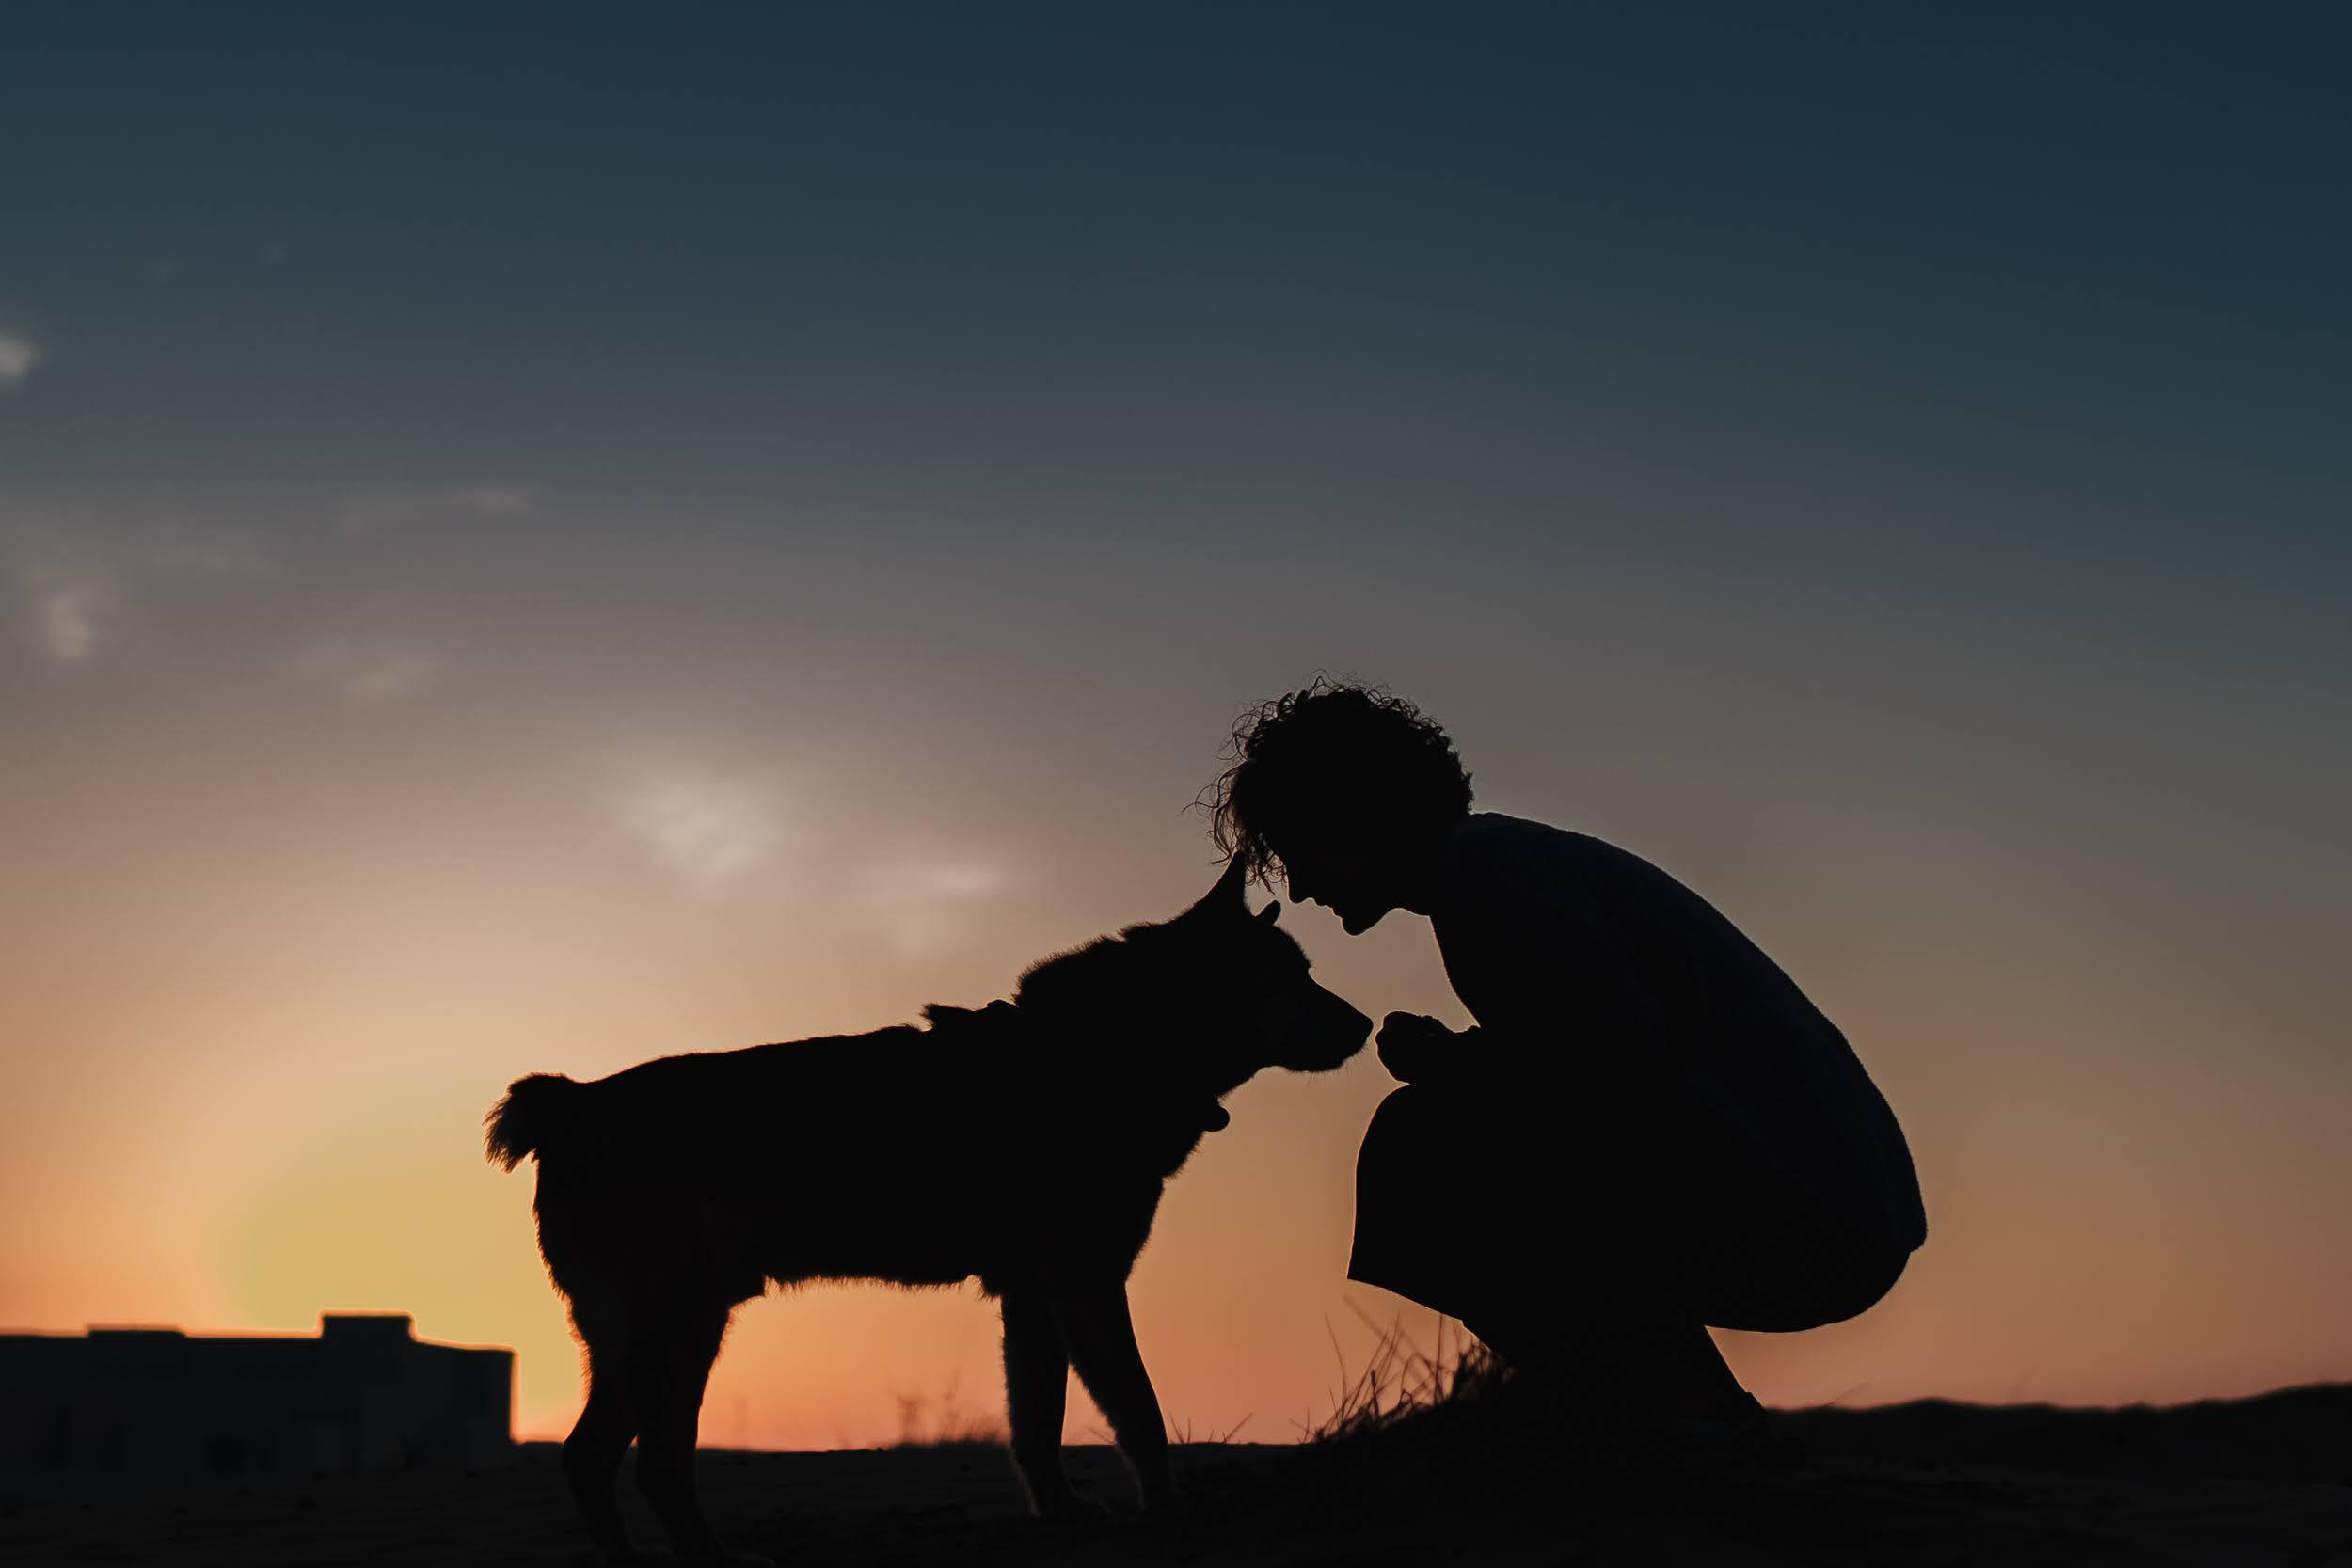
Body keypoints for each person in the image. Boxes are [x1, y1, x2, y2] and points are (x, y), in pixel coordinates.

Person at [1203, 680, 1926, 1446]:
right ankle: (1675, 1411)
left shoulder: (1489, 877)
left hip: (1812, 1219)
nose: (1303, 887)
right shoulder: (1499, 867)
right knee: (1445, 1126)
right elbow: (1594, 1052)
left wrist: (1456, 1068)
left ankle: (1675, 1416)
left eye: (1299, 852)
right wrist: (1467, 1061)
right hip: (1833, 1206)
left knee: (1422, 1144)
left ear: (1352, 812)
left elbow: (1618, 1070)